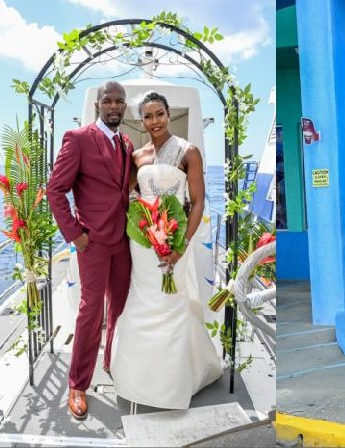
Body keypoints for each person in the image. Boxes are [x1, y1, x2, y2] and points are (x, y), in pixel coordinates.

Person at [110, 91, 222, 409]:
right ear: (141, 121)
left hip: (175, 242)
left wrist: (181, 245)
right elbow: (130, 197)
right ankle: (138, 378)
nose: (154, 121)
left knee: (172, 306)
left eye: (159, 114)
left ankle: (171, 385)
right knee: (140, 305)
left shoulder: (189, 151)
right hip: (143, 245)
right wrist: (140, 224)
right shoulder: (137, 157)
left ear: (168, 115)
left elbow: (197, 202)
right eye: (148, 116)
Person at [47, 81, 134, 419]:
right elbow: (56, 190)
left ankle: (113, 361)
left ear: (125, 107)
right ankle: (78, 384)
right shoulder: (79, 139)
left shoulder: (125, 143)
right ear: (99, 104)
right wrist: (76, 235)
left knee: (120, 309)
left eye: (119, 102)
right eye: (108, 101)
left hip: (123, 242)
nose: (114, 106)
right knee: (90, 312)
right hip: (93, 243)